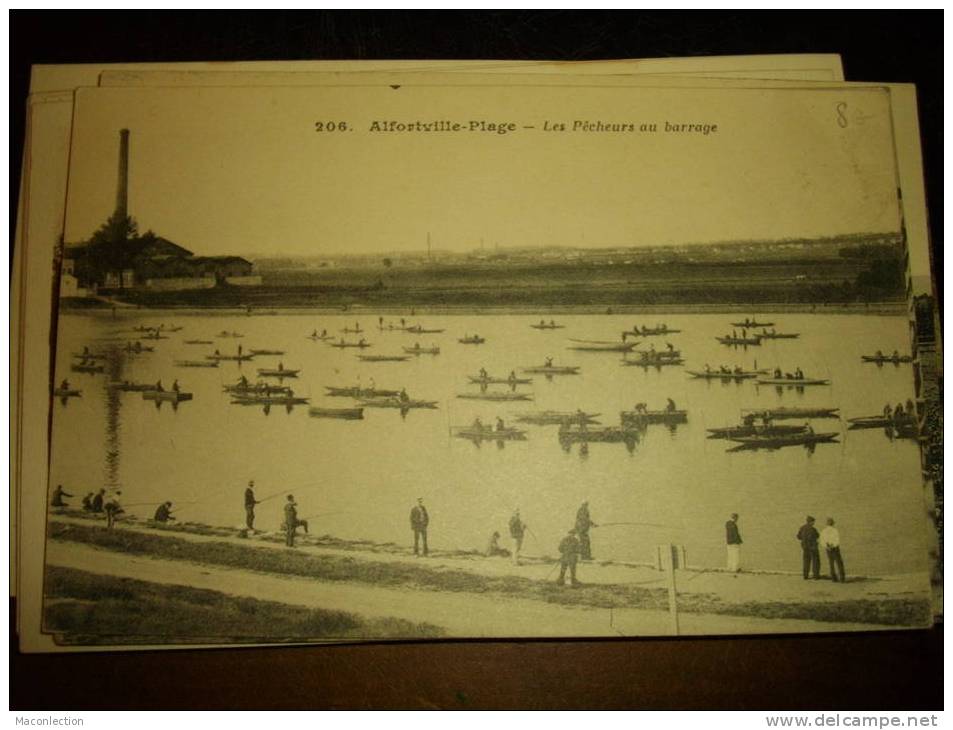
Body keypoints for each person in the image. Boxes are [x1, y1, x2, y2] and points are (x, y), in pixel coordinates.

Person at [820, 517, 846, 583]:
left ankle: (833, 578)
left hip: (828, 548)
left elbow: (822, 541)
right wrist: (833, 545)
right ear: (833, 523)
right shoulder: (835, 530)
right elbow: (837, 540)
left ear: (827, 524)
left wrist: (827, 546)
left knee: (831, 563)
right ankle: (842, 578)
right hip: (835, 548)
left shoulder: (824, 531)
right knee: (839, 563)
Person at [797, 515, 821, 580]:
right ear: (811, 522)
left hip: (805, 547)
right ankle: (816, 576)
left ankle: (805, 575)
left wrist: (803, 539)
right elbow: (817, 536)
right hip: (813, 547)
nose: (814, 523)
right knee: (815, 561)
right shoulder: (813, 529)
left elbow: (798, 536)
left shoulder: (802, 528)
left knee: (806, 561)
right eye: (813, 522)